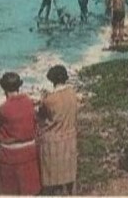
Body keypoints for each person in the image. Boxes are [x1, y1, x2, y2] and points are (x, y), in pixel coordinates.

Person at [0, 72, 41, 195]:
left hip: (10, 157)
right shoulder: (29, 102)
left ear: (4, 89)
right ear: (18, 87)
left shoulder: (2, 109)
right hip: (30, 154)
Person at [37, 65, 78, 195]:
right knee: (69, 175)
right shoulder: (72, 94)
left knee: (53, 181)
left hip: (53, 143)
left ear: (52, 80)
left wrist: (43, 98)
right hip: (70, 139)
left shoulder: (49, 100)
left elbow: (40, 116)